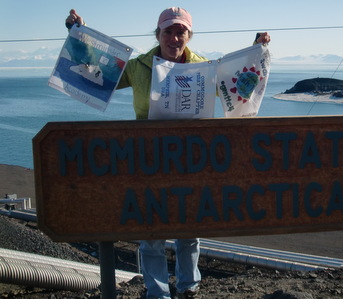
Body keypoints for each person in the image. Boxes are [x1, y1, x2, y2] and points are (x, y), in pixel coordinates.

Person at [65, 7, 270, 299]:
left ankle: (188, 288)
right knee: (152, 232)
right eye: (168, 32)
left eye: (180, 32)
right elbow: (100, 73)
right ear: (158, 34)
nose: (174, 38)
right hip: (149, 161)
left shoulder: (204, 66)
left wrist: (255, 49)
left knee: (188, 229)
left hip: (190, 161)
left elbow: (235, 84)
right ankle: (157, 292)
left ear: (189, 35)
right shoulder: (138, 67)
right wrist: (78, 35)